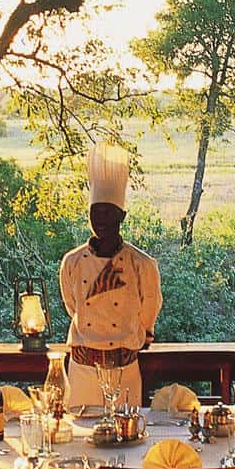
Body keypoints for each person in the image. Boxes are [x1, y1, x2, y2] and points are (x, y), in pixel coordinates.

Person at [59, 144, 161, 414]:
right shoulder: (72, 262)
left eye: (108, 212)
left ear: (122, 215)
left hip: (125, 371)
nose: (100, 219)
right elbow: (72, 306)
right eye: (96, 211)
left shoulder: (142, 265)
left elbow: (148, 311)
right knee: (81, 435)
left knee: (127, 435)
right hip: (82, 371)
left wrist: (135, 335)